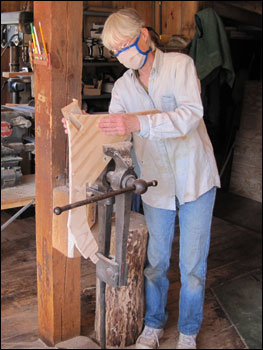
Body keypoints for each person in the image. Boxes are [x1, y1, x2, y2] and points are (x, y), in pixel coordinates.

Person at [63, 7, 221, 350]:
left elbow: (190, 115)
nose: (122, 54)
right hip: (156, 184)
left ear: (144, 35)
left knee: (193, 265)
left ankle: (189, 333)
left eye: (125, 44)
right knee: (156, 262)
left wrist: (139, 123)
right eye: (116, 50)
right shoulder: (122, 87)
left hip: (195, 178)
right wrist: (82, 127)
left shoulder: (181, 66)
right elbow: (116, 136)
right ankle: (153, 325)